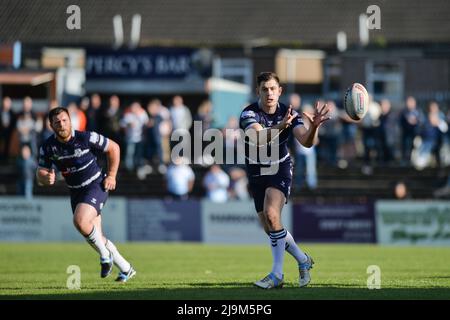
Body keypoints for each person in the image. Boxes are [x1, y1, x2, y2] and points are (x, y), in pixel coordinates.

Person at [239, 72, 330, 289]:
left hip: (279, 167)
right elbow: (258, 137)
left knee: (272, 214)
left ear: (280, 91)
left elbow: (306, 142)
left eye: (273, 88)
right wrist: (280, 127)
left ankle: (277, 274)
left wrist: (314, 127)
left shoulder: (291, 113)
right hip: (255, 171)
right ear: (258, 91)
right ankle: (303, 260)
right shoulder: (248, 113)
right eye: (264, 89)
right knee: (270, 227)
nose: (269, 93)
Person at [36, 107, 135, 282]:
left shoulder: (86, 137)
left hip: (96, 185)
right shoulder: (47, 147)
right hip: (76, 192)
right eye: (57, 122)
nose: (62, 124)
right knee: (97, 236)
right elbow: (40, 173)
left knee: (80, 221)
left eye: (65, 120)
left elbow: (114, 148)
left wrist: (111, 176)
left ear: (70, 120)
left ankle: (106, 257)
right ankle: (126, 269)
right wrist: (44, 177)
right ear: (51, 125)